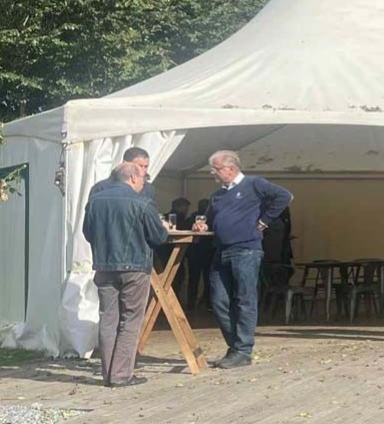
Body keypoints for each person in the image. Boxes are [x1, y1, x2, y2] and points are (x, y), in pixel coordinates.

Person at [193, 150, 292, 368]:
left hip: (246, 250)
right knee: (219, 301)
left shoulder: (254, 184)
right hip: (221, 251)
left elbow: (284, 196)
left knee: (244, 300)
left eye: (215, 169)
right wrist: (202, 225)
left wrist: (264, 221)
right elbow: (208, 219)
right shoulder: (217, 195)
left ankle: (243, 350)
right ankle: (236, 347)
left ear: (231, 168)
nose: (212, 173)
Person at [82, 162, 171, 387]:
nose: (143, 183)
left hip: (104, 266)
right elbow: (158, 237)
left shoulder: (95, 201)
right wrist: (163, 228)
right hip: (135, 267)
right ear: (133, 178)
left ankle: (108, 374)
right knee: (130, 321)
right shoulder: (142, 202)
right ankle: (121, 375)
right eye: (142, 178)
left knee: (108, 319)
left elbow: (87, 232)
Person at [89, 147, 157, 209]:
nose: (143, 170)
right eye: (140, 166)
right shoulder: (102, 188)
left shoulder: (148, 189)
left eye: (146, 166)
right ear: (125, 164)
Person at [185, 198, 213, 309]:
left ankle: (191, 304)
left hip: (197, 253)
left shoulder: (193, 217)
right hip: (206, 252)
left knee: (194, 280)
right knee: (207, 280)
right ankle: (208, 304)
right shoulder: (211, 218)